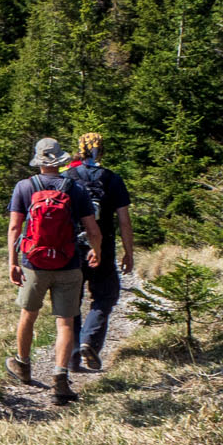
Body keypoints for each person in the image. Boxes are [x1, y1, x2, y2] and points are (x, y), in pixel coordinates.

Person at [7, 137, 104, 405]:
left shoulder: (24, 187)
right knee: (65, 322)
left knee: (28, 315)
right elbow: (93, 229)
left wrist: (12, 261)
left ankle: (23, 365)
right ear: (60, 160)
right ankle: (60, 378)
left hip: (33, 263)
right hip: (69, 262)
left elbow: (15, 228)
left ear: (39, 161)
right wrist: (96, 250)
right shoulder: (76, 189)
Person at [67, 132, 135, 371]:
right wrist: (129, 252)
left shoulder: (68, 177)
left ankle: (72, 356)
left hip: (72, 247)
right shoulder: (112, 179)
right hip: (103, 247)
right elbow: (124, 221)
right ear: (102, 150)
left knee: (72, 302)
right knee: (106, 295)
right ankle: (90, 340)